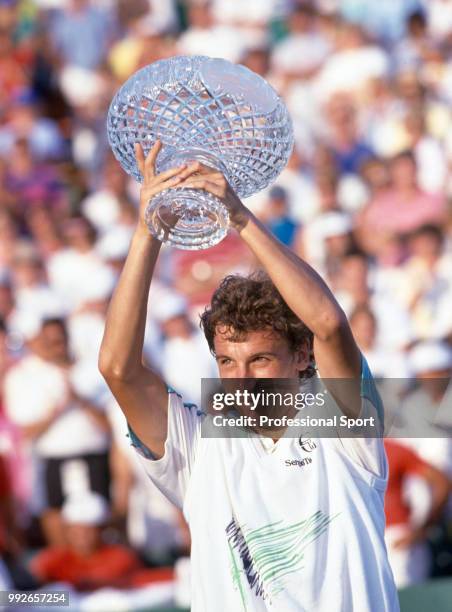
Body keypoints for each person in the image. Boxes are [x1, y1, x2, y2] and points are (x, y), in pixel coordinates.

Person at [99, 141, 399, 611]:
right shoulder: (197, 447)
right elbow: (118, 370)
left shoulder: (345, 428)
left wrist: (238, 217)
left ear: (302, 356)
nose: (241, 379)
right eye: (227, 362)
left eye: (260, 360)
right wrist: (147, 232)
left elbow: (328, 323)